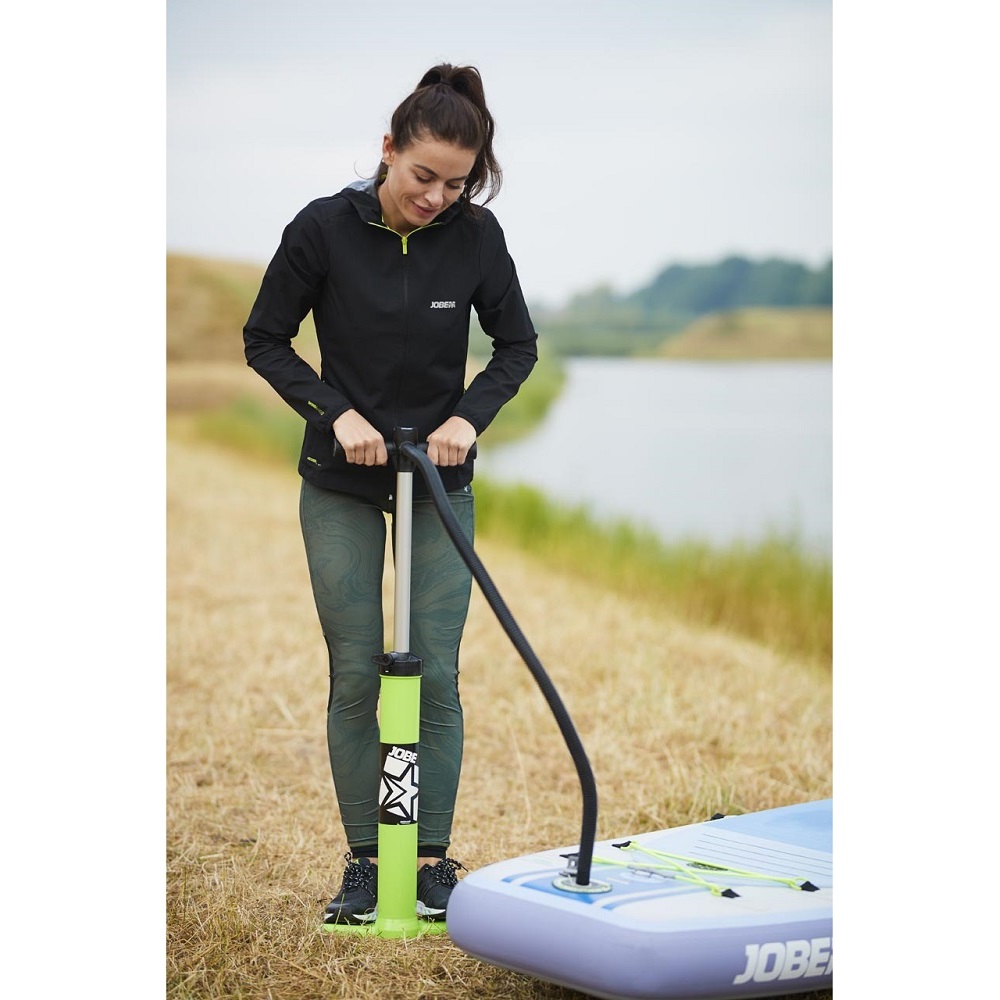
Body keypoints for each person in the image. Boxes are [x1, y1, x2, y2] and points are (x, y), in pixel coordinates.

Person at [243, 63, 537, 925]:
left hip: (438, 482)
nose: (437, 198)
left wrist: (468, 419)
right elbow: (265, 338)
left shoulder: (477, 238)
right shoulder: (323, 229)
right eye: (423, 176)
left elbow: (517, 346)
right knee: (356, 672)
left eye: (456, 183)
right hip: (342, 481)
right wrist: (335, 414)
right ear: (387, 150)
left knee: (435, 674)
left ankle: (431, 859)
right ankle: (369, 862)